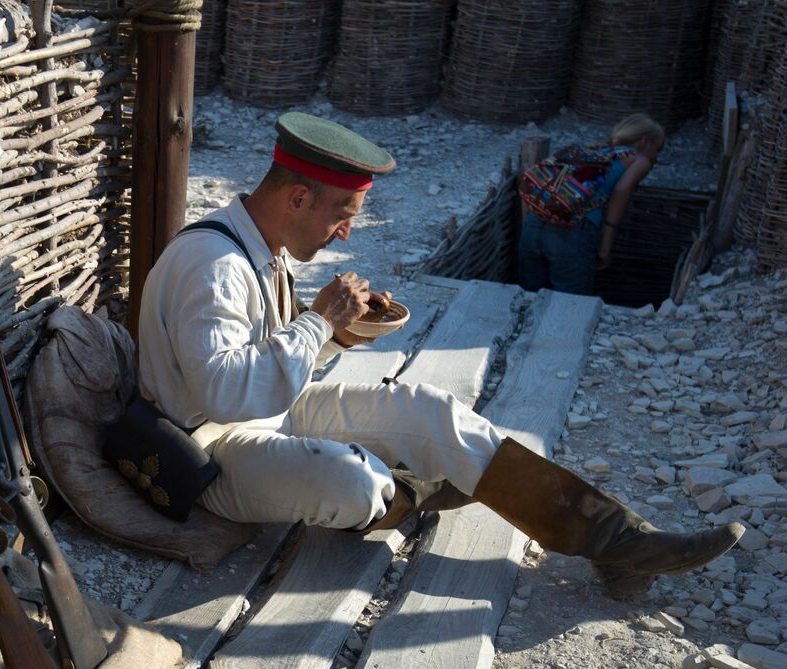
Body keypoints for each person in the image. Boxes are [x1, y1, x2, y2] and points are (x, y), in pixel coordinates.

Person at [135, 112, 740, 589]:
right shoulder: (213, 265)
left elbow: (263, 364)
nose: (345, 231)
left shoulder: (260, 249)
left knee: (432, 412)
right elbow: (222, 391)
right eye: (341, 216)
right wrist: (317, 325)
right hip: (210, 452)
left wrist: (342, 330)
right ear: (297, 199)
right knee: (353, 482)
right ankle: (428, 483)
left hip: (268, 413)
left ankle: (620, 542)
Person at [518, 113, 665, 295]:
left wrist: (528, 226)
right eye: (658, 149)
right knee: (568, 305)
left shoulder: (590, 149)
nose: (656, 157)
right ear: (644, 141)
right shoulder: (639, 159)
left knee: (528, 299)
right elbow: (621, 190)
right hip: (573, 232)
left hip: (534, 226)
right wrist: (606, 244)